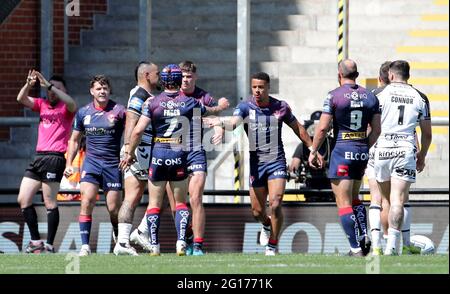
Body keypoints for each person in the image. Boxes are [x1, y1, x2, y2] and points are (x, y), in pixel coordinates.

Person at [205, 72, 316, 256]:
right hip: (257, 163)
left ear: (268, 87)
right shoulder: (245, 107)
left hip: (276, 161)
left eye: (261, 87)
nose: (257, 90)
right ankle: (266, 224)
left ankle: (272, 245)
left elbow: (298, 129)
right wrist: (220, 122)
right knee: (257, 211)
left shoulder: (280, 107)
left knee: (276, 202)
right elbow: (234, 123)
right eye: (254, 87)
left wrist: (312, 149)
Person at [120, 64, 224, 256]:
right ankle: (181, 243)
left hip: (158, 153)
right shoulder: (190, 102)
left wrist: (129, 152)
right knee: (181, 203)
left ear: (163, 82)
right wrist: (222, 107)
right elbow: (211, 110)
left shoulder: (151, 103)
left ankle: (154, 246)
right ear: (178, 81)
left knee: (154, 203)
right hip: (179, 154)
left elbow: (137, 130)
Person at [308, 59, 381, 257]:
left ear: (339, 74)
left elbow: (322, 128)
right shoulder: (370, 96)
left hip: (342, 150)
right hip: (361, 151)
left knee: (343, 202)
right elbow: (376, 130)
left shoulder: (334, 96)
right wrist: (364, 147)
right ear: (356, 74)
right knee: (355, 198)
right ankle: (363, 234)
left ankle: (355, 248)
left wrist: (313, 150)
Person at [167, 60, 228, 256]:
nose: (185, 80)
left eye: (189, 76)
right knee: (176, 206)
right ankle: (187, 238)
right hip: (172, 151)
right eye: (182, 77)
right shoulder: (171, 95)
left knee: (195, 198)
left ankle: (199, 246)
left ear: (195, 77)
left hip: (195, 151)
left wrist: (218, 127)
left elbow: (216, 115)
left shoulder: (203, 97)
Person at [373, 60, 432, 255]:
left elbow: (370, 125)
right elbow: (427, 133)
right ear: (408, 75)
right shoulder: (420, 97)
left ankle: (381, 245)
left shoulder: (379, 94)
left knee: (384, 200)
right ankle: (393, 248)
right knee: (398, 200)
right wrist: (422, 155)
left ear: (390, 75)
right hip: (405, 149)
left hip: (383, 148)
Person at [16, 70, 77, 253]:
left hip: (55, 157)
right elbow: (21, 99)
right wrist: (29, 84)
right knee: (23, 199)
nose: (52, 91)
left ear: (63, 90)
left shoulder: (66, 108)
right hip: (38, 157)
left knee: (49, 202)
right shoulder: (42, 104)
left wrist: (50, 85)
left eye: (57, 88)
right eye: (50, 88)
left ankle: (49, 245)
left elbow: (72, 103)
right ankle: (35, 241)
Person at [65, 75, 126, 256]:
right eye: (98, 88)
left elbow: (132, 131)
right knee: (87, 200)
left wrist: (128, 151)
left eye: (105, 88)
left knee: (114, 208)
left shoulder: (120, 111)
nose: (102, 91)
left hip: (112, 164)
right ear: (92, 91)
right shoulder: (83, 112)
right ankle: (85, 246)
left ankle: (118, 238)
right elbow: (74, 140)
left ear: (109, 90)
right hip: (91, 163)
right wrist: (69, 163)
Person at [113, 61, 160, 256]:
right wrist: (128, 149)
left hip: (138, 150)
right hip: (141, 152)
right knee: (163, 192)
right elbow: (131, 120)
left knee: (132, 197)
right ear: (147, 75)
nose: (160, 76)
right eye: (157, 73)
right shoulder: (140, 95)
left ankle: (123, 242)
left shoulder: (144, 95)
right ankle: (141, 231)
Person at [289, 110, 334, 201]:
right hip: (316, 187)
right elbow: (294, 167)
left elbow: (293, 166)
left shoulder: (331, 143)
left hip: (326, 186)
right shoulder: (302, 146)